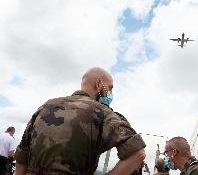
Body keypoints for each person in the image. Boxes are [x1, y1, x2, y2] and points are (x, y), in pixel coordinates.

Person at [14, 67, 146, 175]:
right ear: (99, 84)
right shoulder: (102, 112)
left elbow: (21, 158)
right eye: (110, 88)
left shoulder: (45, 107)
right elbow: (137, 153)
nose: (110, 93)